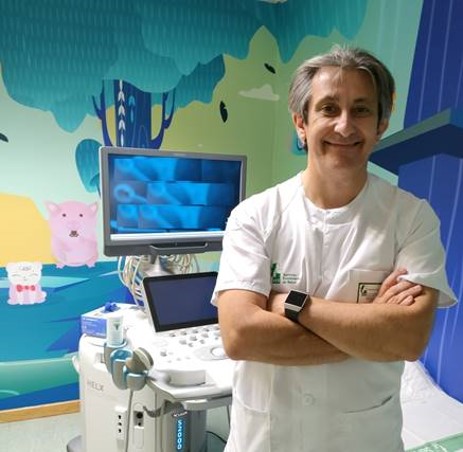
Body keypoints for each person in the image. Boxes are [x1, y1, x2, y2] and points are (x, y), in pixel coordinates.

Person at [213, 45, 456, 452]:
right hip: (267, 440)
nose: (345, 126)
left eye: (361, 110)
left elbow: (409, 339)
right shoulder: (253, 216)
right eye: (329, 108)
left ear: (380, 125)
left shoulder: (413, 218)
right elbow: (240, 336)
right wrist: (370, 330)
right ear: (301, 123)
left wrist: (292, 304)